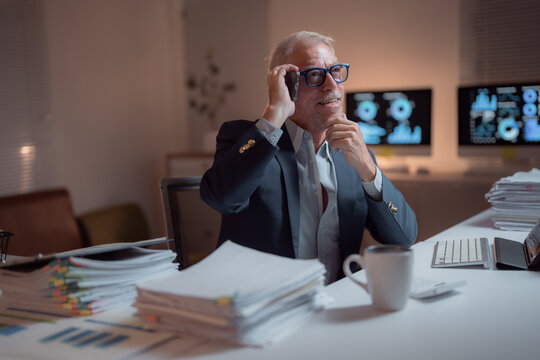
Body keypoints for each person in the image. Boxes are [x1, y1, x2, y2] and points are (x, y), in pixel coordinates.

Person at [200, 31, 417, 284]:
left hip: (334, 307)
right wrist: (275, 113)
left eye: (336, 71)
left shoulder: (354, 155)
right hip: (265, 309)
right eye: (314, 74)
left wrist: (368, 169)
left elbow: (404, 237)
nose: (331, 85)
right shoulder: (246, 138)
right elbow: (221, 197)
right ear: (285, 83)